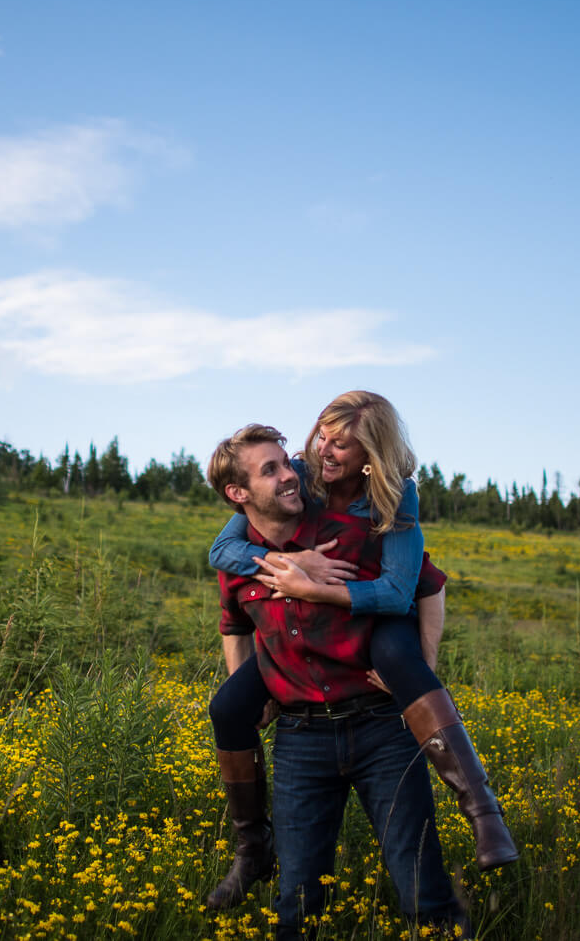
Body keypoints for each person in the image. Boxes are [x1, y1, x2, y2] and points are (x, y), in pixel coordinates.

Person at [203, 392, 516, 916]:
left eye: (342, 444)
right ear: (242, 492)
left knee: (424, 894)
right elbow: (227, 587)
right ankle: (252, 851)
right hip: (302, 734)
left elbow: (421, 585)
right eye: (320, 437)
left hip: (378, 718)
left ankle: (483, 808)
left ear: (371, 452)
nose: (317, 455)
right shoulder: (278, 511)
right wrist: (281, 561)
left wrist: (318, 589)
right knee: (296, 905)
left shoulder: (386, 506)